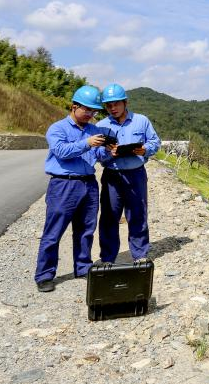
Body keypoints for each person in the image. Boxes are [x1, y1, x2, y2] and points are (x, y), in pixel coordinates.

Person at [34, 85, 106, 292]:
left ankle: (83, 267)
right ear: (74, 106)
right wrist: (87, 143)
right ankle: (45, 274)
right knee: (53, 231)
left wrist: (110, 152)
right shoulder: (57, 128)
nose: (91, 114)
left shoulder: (94, 130)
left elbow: (98, 156)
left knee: (86, 230)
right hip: (63, 184)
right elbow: (61, 151)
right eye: (87, 110)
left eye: (94, 111)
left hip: (89, 183)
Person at [96, 83, 160, 263]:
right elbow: (96, 154)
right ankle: (108, 258)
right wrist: (109, 153)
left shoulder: (142, 121)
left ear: (125, 102)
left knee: (138, 214)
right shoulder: (100, 126)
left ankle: (140, 255)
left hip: (136, 174)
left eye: (116, 103)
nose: (112, 108)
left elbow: (155, 141)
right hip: (112, 177)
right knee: (109, 216)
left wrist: (145, 149)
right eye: (108, 105)